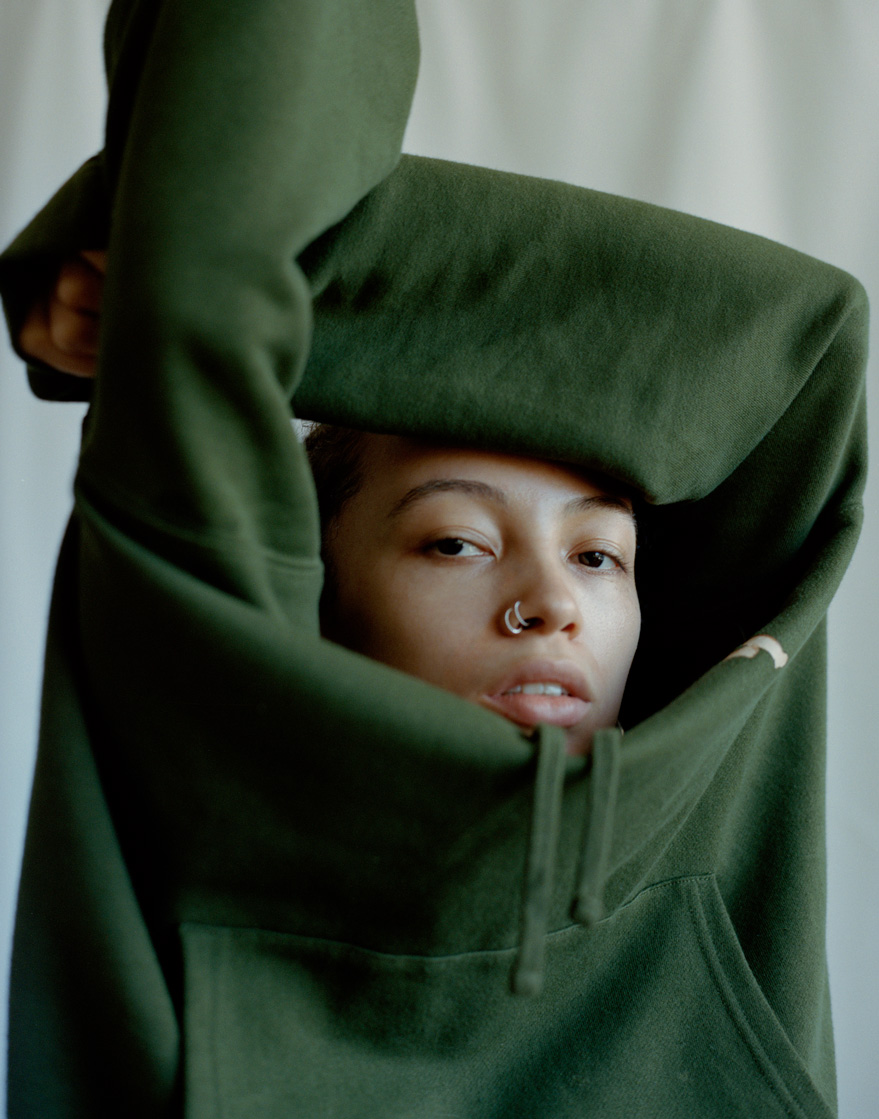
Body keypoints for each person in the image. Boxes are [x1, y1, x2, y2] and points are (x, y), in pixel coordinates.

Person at [1, 0, 867, 1115]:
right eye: (455, 541)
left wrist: (179, 282)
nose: (551, 604)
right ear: (317, 584)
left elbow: (804, 342)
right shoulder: (210, 762)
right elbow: (265, 75)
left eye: (601, 556)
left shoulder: (713, 780)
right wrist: (184, 302)